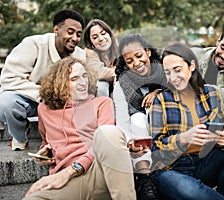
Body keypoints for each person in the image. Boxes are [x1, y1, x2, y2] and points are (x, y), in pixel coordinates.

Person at [149, 42, 224, 200]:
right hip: (172, 170)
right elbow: (155, 149)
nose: (172, 78)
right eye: (167, 73)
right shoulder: (161, 100)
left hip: (205, 162)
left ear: (191, 66)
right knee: (189, 190)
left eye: (177, 70)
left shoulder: (211, 94)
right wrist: (183, 138)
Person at [23, 57, 136, 200]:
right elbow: (46, 140)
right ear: (60, 83)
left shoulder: (101, 103)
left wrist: (72, 169)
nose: (83, 82)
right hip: (69, 182)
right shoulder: (44, 109)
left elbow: (107, 143)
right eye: (75, 78)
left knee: (108, 132)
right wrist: (46, 152)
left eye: (84, 76)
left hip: (98, 172)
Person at [0, 9, 86, 150]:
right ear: (56, 29)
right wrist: (45, 94)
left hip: (62, 103)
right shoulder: (33, 44)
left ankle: (69, 139)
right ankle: (20, 137)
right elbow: (8, 78)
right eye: (70, 32)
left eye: (78, 34)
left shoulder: (80, 55)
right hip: (29, 99)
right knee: (6, 103)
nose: (75, 38)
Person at [113, 34, 167, 199]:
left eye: (139, 56)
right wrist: (130, 142)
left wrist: (159, 92)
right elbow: (122, 123)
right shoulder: (122, 85)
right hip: (140, 142)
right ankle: (145, 178)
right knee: (138, 118)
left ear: (148, 52)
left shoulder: (165, 72)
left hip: (166, 135)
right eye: (129, 61)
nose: (136, 63)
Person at [84, 19, 118, 97]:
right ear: (91, 42)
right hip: (95, 96)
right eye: (95, 37)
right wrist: (117, 73)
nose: (101, 38)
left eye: (103, 33)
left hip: (115, 94)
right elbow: (98, 72)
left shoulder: (119, 49)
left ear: (109, 34)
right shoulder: (89, 53)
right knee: (101, 85)